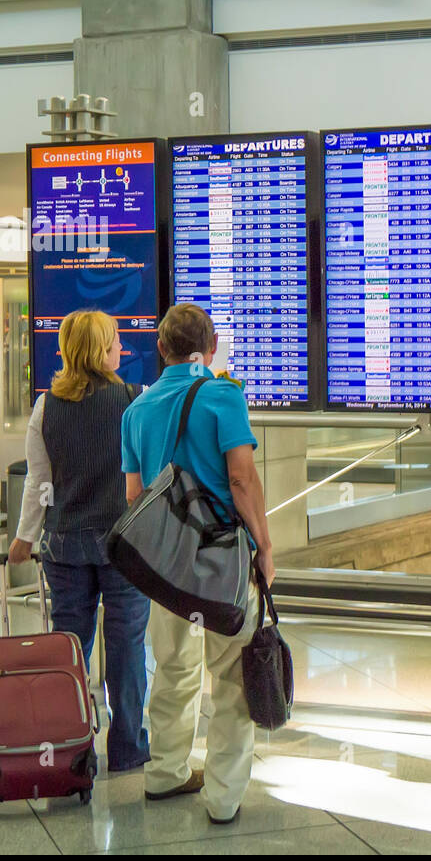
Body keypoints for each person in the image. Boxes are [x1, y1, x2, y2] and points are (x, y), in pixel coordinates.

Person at [120, 303, 274, 825]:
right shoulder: (222, 395)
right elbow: (241, 479)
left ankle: (165, 772)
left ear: (161, 350)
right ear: (210, 350)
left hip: (164, 568)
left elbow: (136, 496)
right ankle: (223, 798)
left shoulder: (135, 412)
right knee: (230, 677)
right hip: (222, 562)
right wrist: (266, 545)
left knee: (172, 667)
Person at [8, 310, 151, 773]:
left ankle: (67, 748)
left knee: (68, 647)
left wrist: (24, 538)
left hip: (65, 546)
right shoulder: (134, 399)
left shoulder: (46, 407)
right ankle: (128, 748)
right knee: (127, 645)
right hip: (122, 545)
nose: (121, 349)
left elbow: (39, 482)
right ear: (100, 350)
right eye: (115, 342)